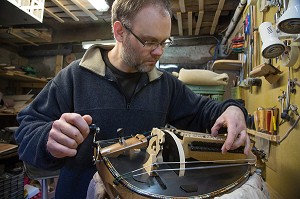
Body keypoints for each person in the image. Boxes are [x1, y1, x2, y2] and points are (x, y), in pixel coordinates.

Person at [15, 0, 251, 198]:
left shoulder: (165, 84)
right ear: (119, 32)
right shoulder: (75, 77)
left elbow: (204, 111)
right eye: (149, 41)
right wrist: (47, 138)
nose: (159, 52)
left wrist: (233, 109)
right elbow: (27, 128)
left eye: (164, 42)